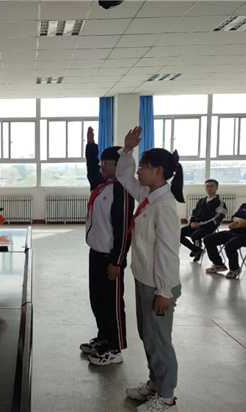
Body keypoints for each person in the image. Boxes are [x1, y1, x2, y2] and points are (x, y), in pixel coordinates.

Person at [116, 126, 183, 412]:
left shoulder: (164, 205)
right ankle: (155, 383)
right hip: (145, 279)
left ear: (158, 171)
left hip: (159, 285)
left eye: (143, 166)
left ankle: (167, 398)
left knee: (160, 341)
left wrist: (164, 291)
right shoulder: (147, 194)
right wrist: (127, 150)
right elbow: (123, 176)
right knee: (149, 337)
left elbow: (168, 252)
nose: (139, 171)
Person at [80, 126, 134, 366]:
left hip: (111, 258)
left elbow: (124, 230)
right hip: (95, 254)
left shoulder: (122, 191)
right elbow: (91, 170)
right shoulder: (101, 185)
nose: (101, 167)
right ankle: (103, 338)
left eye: (106, 163)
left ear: (119, 165)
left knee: (112, 304)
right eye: (101, 162)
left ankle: (115, 348)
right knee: (98, 300)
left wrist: (117, 262)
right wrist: (91, 146)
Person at [203, 185, 246, 279]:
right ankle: (218, 264)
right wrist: (239, 221)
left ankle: (234, 269)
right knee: (208, 239)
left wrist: (240, 223)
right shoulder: (244, 205)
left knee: (229, 246)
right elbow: (234, 217)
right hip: (233, 232)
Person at [180, 179, 227, 262]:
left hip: (209, 227)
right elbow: (194, 212)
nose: (209, 188)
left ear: (216, 188)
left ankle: (196, 249)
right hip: (197, 225)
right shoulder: (201, 201)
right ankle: (196, 250)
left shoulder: (220, 203)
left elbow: (217, 218)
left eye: (211, 186)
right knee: (179, 233)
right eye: (207, 186)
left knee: (195, 235)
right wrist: (192, 222)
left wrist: (201, 224)